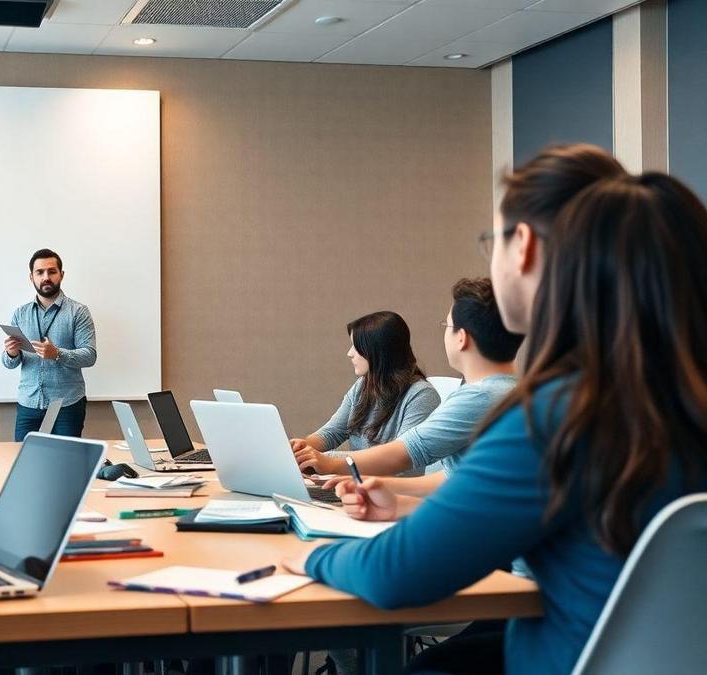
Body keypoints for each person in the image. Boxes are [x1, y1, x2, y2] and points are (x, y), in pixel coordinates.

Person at [287, 147, 707, 675]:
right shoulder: (666, 402)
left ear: (525, 247)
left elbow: (396, 575)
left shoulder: (558, 417)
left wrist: (304, 559)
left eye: (493, 241)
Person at [296, 278, 522, 497]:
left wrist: (329, 463)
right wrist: (366, 483)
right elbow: (454, 478)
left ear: (461, 338)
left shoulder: (478, 397)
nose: (349, 353)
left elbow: (405, 453)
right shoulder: (517, 392)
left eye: (447, 325)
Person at [290, 311, 440, 477]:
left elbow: (401, 459)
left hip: (391, 494)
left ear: (377, 350)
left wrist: (328, 461)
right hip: (355, 487)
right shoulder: (362, 386)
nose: (350, 353)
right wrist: (302, 447)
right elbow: (332, 433)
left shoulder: (422, 396)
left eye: (356, 346)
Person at [2, 248, 97, 441]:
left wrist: (57, 354)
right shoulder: (21, 313)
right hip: (28, 404)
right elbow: (10, 363)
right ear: (31, 277)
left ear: (61, 274)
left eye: (52, 271)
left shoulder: (78, 312)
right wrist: (11, 354)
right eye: (40, 272)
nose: (46, 277)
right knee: (25, 463)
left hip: (66, 405)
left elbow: (90, 355)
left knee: (65, 464)